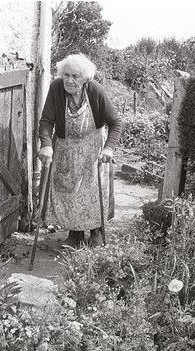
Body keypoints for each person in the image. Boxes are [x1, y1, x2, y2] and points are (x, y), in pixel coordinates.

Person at [37, 53, 122, 248]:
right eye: (66, 75)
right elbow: (47, 120)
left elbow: (115, 122)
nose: (69, 80)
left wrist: (109, 148)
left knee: (93, 191)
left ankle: (96, 232)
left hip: (93, 150)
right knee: (68, 191)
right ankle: (74, 234)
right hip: (66, 149)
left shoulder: (95, 91)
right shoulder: (56, 89)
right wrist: (47, 145)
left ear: (85, 78)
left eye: (75, 76)